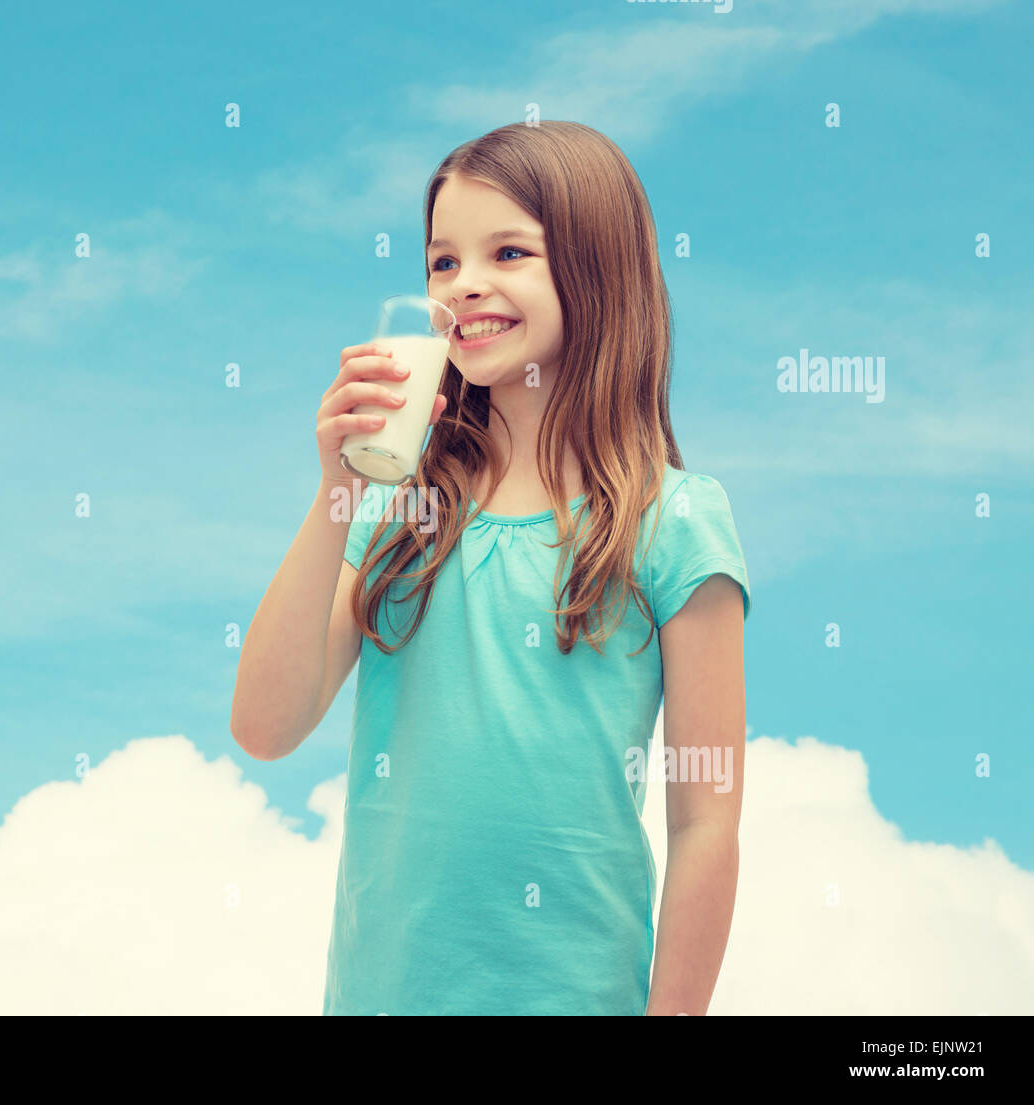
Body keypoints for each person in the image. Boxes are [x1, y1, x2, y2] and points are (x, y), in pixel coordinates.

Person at [231, 120, 751, 1016]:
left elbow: (706, 823)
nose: (464, 284)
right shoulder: (396, 509)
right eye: (441, 263)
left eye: (508, 251)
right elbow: (265, 727)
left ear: (596, 269)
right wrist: (335, 491)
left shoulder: (674, 520)